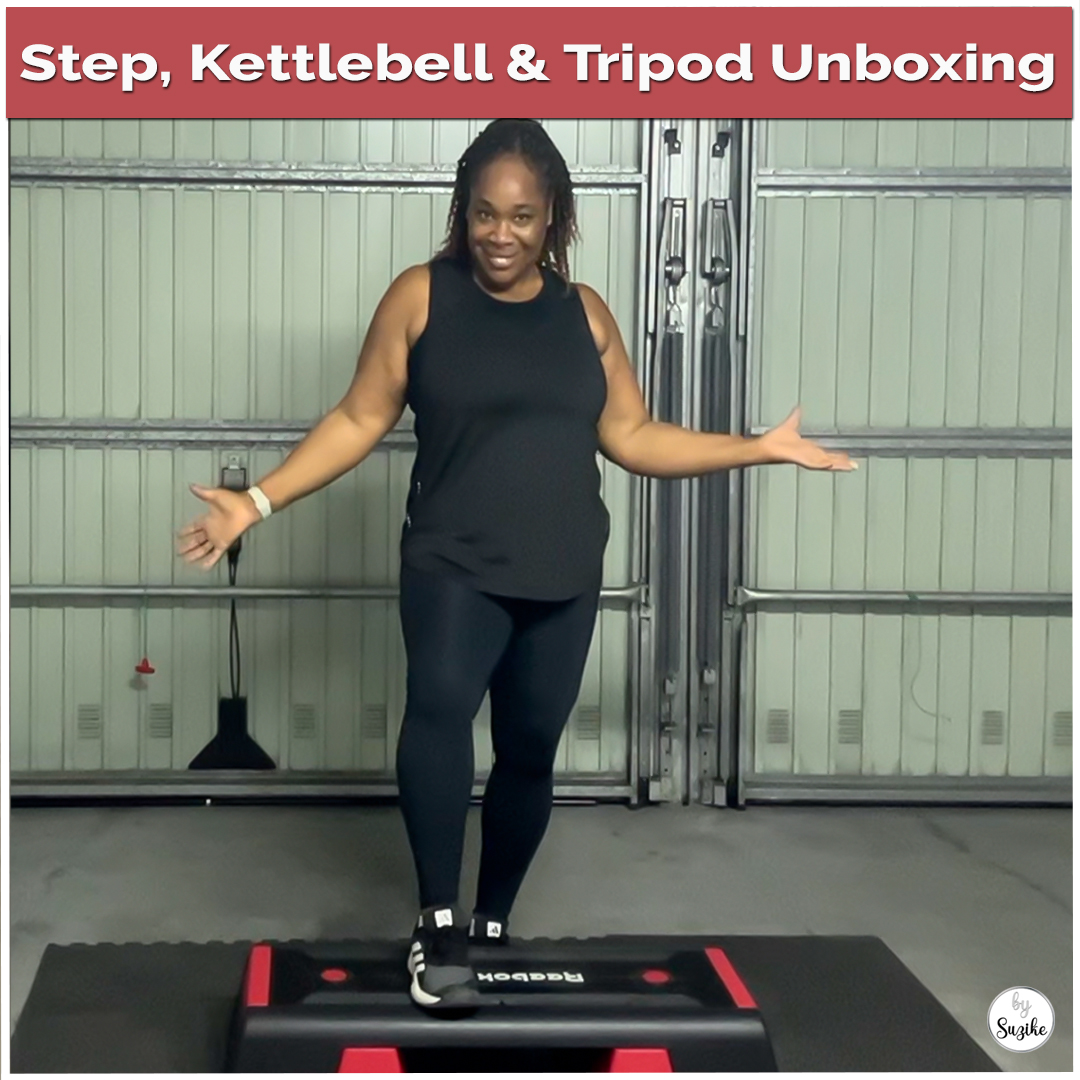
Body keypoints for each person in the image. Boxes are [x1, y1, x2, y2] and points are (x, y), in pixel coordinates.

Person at [177, 118, 855, 1011]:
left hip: (563, 573)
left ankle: (492, 922)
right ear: (464, 211)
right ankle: (437, 926)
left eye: (523, 217)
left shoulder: (587, 315)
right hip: (453, 563)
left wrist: (756, 448)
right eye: (485, 214)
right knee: (440, 709)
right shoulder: (421, 297)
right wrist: (257, 502)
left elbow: (634, 436)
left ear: (554, 220)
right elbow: (358, 417)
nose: (501, 234)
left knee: (530, 749)